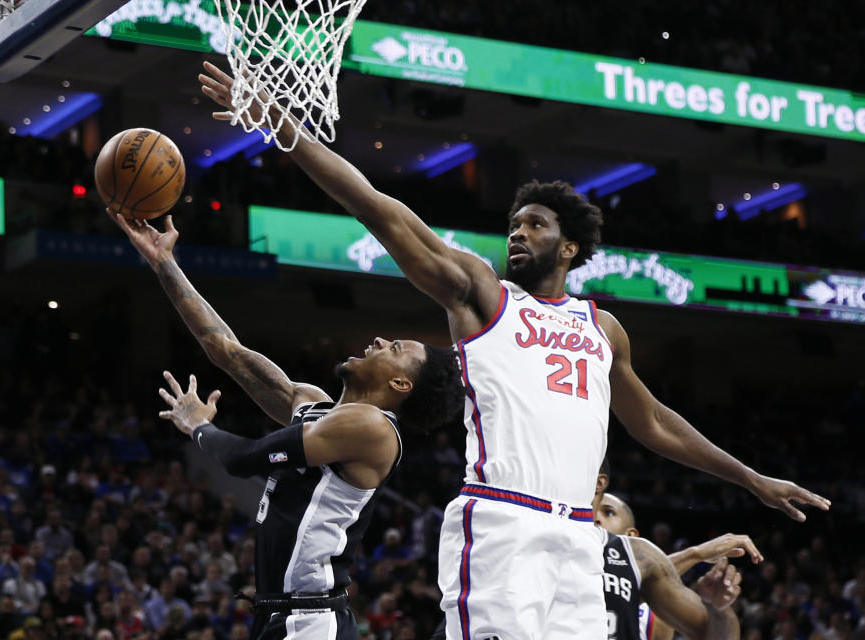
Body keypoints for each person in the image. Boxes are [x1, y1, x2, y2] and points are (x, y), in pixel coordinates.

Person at [197, 60, 831, 639]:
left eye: (536, 224)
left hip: (581, 539)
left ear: (571, 248)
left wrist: (750, 478)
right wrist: (277, 123)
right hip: (504, 523)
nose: (518, 233)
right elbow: (380, 210)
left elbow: (655, 423)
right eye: (515, 224)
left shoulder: (602, 328)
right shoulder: (483, 297)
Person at [109, 210, 463, 640]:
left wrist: (199, 426)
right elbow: (225, 350)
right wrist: (163, 263)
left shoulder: (374, 429)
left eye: (396, 347)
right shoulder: (313, 403)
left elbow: (242, 458)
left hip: (310, 620)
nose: (380, 340)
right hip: (277, 614)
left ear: (401, 383)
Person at [593, 461, 762, 640]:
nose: (596, 517)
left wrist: (717, 609)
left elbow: (715, 633)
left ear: (632, 536)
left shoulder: (654, 604)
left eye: (609, 513)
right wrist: (696, 553)